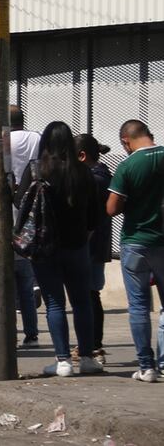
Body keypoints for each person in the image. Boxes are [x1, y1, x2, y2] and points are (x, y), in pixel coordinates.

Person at [15, 121, 100, 377]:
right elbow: (95, 215)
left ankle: (62, 361)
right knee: (82, 301)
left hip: (45, 247)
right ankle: (86, 357)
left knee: (54, 303)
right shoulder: (83, 172)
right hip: (77, 246)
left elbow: (21, 202)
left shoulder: (37, 170)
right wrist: (84, 235)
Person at [106, 119, 164, 383]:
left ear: (125, 141)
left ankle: (146, 366)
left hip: (135, 242)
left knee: (139, 307)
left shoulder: (127, 166)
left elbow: (112, 208)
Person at [8, 104, 42, 348]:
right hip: (31, 204)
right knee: (26, 275)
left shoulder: (1, 141)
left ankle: (7, 329)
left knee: (6, 280)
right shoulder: (37, 138)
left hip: (7, 207)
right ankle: (31, 332)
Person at [76, 133, 112, 364]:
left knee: (89, 295)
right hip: (95, 245)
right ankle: (91, 345)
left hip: (90, 245)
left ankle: (92, 346)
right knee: (90, 295)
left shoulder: (94, 179)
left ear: (81, 156)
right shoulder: (101, 176)